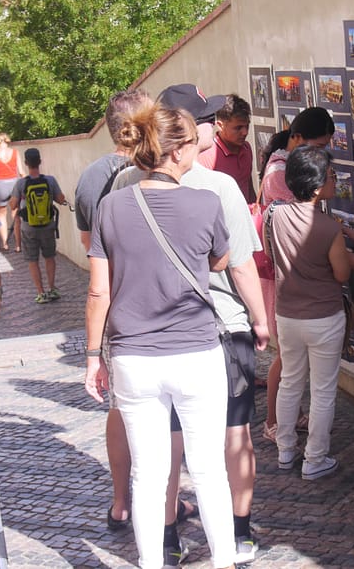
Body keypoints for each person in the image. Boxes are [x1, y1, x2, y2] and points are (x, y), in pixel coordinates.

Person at [113, 84, 269, 564]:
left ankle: (164, 542)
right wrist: (262, 321)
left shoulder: (122, 186)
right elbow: (240, 264)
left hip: (149, 338)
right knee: (231, 439)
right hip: (218, 326)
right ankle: (236, 537)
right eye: (206, 120)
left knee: (165, 451)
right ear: (189, 132)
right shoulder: (220, 188)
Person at [84, 103, 236, 569]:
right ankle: (225, 560)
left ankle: (151, 563)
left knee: (148, 475)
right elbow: (220, 262)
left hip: (133, 356)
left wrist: (94, 356)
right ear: (178, 151)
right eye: (191, 142)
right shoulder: (205, 203)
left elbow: (97, 291)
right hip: (196, 351)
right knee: (209, 469)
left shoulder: (110, 207)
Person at [257, 108, 354, 442]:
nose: (322, 156)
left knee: (292, 370)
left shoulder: (286, 174)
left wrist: (344, 233)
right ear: (296, 139)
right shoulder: (279, 176)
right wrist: (345, 252)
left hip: (292, 291)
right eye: (317, 147)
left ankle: (286, 439)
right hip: (297, 289)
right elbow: (306, 234)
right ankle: (279, 426)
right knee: (297, 373)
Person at [73, 86, 153, 532]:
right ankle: (165, 505)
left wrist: (91, 350)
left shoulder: (89, 177)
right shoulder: (156, 168)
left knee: (121, 409)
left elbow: (90, 249)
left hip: (116, 304)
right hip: (160, 305)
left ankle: (121, 501)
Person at [10, 148, 66, 304]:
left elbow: (13, 205)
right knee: (49, 257)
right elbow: (61, 199)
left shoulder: (21, 183)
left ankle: (41, 293)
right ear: (40, 162)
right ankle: (52, 288)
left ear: (26, 163)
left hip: (29, 228)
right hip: (48, 225)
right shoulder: (50, 180)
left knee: (32, 260)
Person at [198, 94, 257, 203]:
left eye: (247, 126)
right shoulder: (207, 157)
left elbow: (248, 185)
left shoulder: (247, 148)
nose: (245, 132)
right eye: (238, 128)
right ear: (220, 125)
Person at [0, 133, 24, 252]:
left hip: (1, 185)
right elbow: (21, 171)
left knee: (1, 215)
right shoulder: (15, 152)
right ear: (7, 140)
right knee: (16, 215)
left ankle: (5, 244)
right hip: (14, 184)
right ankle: (18, 245)